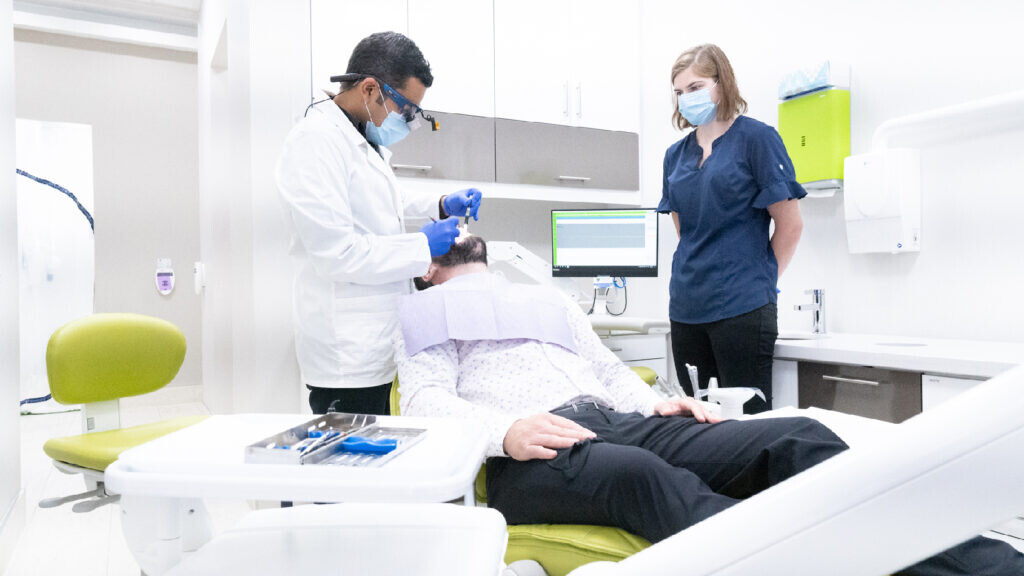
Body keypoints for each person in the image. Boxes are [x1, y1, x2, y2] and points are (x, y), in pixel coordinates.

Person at [394, 236, 1024, 576]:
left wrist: (657, 404)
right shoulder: (423, 313)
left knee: (796, 436)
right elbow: (425, 400)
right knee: (642, 475)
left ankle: (994, 567)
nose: (459, 229)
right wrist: (505, 429)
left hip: (621, 419)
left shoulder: (545, 300)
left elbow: (608, 369)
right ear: (423, 266)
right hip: (532, 451)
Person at [275, 32, 482, 415]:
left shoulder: (361, 139)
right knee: (355, 452)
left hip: (379, 343)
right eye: (406, 109)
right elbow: (336, 254)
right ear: (370, 89)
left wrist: (440, 204)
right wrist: (422, 245)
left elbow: (386, 203)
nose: (408, 121)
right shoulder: (315, 142)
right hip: (348, 354)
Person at [660, 44, 803, 413]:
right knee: (699, 423)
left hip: (743, 307)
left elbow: (790, 225)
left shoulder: (757, 139)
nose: (686, 98)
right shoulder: (675, 156)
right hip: (686, 306)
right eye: (679, 92)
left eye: (695, 87)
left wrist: (759, 279)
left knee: (747, 425)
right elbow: (686, 230)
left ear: (721, 84)